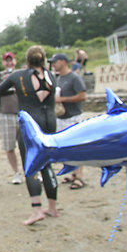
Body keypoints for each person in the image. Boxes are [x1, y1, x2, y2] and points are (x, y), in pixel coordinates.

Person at [0, 46, 58, 225]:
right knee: (48, 163)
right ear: (44, 59)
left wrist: (17, 90)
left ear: (27, 60)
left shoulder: (18, 76)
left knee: (31, 164)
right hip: (50, 122)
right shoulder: (51, 76)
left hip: (31, 123)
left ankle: (36, 209)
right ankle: (52, 207)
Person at [50, 53, 87, 188]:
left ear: (63, 62)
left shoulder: (74, 78)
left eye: (55, 62)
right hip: (61, 117)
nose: (53, 64)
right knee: (65, 148)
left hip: (73, 117)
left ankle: (79, 177)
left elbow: (82, 96)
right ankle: (72, 173)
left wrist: (62, 100)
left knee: (76, 148)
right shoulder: (58, 78)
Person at [0, 52, 23, 184]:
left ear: (15, 61)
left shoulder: (22, 74)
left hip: (23, 113)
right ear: (3, 62)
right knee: (9, 146)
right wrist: (10, 88)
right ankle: (16, 173)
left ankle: (31, 172)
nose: (9, 63)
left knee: (26, 146)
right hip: (5, 113)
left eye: (11, 60)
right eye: (6, 61)